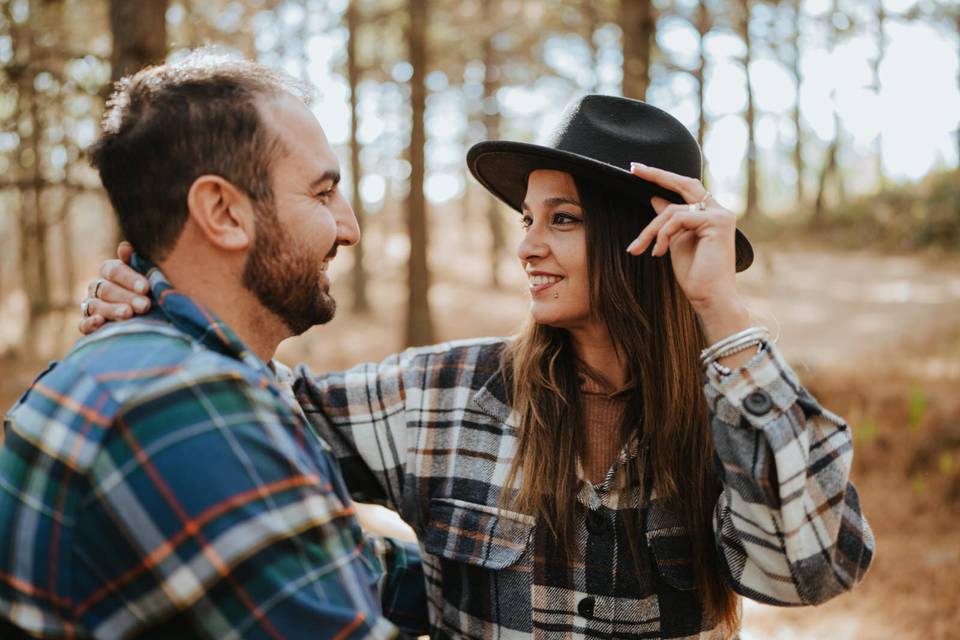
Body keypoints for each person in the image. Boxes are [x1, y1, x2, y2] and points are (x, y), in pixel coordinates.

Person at [81, 94, 874, 638]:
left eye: (561, 220)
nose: (526, 244)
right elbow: (255, 415)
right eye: (528, 218)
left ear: (648, 239)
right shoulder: (446, 393)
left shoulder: (728, 411)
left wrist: (720, 313)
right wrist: (164, 305)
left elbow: (814, 569)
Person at [0, 52, 428, 639]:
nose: (349, 229)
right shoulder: (181, 401)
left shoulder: (143, 367)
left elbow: (331, 564)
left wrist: (508, 584)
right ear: (223, 212)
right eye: (323, 193)